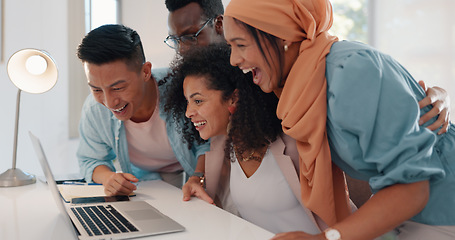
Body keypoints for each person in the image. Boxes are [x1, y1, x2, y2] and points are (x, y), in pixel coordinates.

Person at [164, 0, 452, 209]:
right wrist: (198, 177)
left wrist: (437, 95)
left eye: (191, 35)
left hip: (435, 201)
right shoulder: (281, 84)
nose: (234, 60)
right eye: (176, 40)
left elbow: (406, 180)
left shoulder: (341, 70)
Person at [163, 43, 337, 234]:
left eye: (198, 101)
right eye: (188, 102)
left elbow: (338, 210)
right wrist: (197, 180)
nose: (188, 112)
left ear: (233, 98)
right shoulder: (223, 145)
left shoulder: (293, 142)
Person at [76, 24, 209, 196]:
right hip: (145, 181)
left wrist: (198, 177)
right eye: (96, 90)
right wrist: (108, 177)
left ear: (145, 71)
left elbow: (209, 143)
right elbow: (91, 159)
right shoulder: (94, 109)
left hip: (190, 172)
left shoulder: (183, 88)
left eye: (118, 88)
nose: (109, 102)